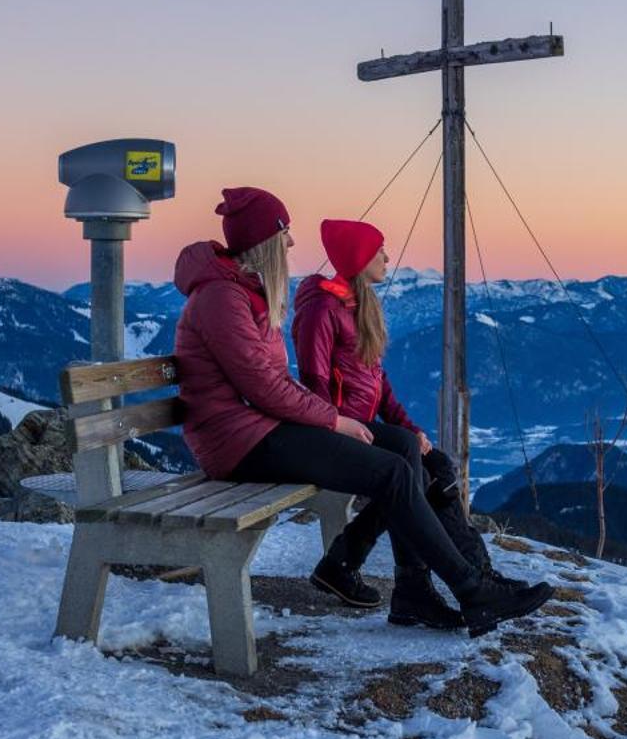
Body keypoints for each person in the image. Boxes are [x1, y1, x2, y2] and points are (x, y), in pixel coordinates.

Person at [169, 186, 551, 637]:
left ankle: (413, 591)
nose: (292, 243)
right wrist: (333, 419)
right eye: (284, 233)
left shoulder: (243, 293)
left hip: (256, 429)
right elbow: (264, 385)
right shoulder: (222, 299)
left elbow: (271, 384)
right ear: (265, 242)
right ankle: (473, 592)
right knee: (390, 473)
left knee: (404, 447)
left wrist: (342, 421)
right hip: (237, 443)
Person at [292, 218, 494, 626]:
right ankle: (417, 584)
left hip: (360, 425)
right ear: (358, 258)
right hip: (334, 429)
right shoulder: (322, 310)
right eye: (378, 250)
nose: (387, 256)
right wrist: (337, 427)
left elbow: (378, 383)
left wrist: (410, 428)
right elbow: (313, 381)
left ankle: (372, 570)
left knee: (428, 463)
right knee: (408, 472)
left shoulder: (359, 305)